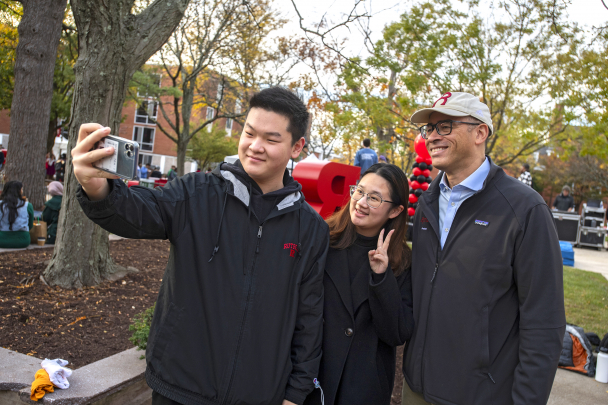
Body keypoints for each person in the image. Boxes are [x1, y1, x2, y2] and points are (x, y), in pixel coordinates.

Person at [72, 86, 329, 405]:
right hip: (179, 388)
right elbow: (137, 212)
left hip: (261, 394)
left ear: (297, 147)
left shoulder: (311, 229)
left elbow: (309, 318)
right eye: (249, 133)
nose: (255, 146)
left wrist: (295, 393)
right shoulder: (197, 194)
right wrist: (97, 187)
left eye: (271, 139)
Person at [402, 92, 565, 405]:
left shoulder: (524, 209)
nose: (432, 137)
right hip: (416, 388)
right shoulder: (426, 204)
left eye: (445, 127)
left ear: (480, 133)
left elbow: (544, 321)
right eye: (429, 129)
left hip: (480, 394)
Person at [305, 163, 413, 405]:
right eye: (359, 191)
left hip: (364, 388)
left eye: (374, 198)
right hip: (313, 380)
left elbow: (396, 333)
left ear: (395, 211)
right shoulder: (323, 239)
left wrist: (381, 277)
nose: (361, 202)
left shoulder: (402, 262)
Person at [0, 181, 34, 248]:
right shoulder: (28, 205)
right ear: (19, 191)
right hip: (23, 241)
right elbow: (30, 225)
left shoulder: (1, 204)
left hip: (2, 240)